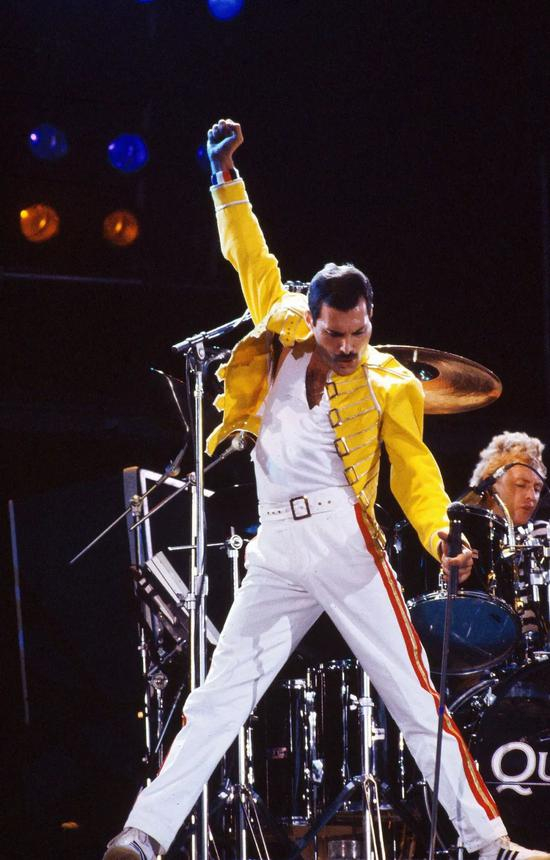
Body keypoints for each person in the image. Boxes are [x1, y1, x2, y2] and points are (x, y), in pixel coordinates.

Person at [103, 120, 550, 860]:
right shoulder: (278, 325)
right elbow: (250, 254)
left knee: (413, 696)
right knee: (218, 696)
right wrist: (224, 177)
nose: (346, 347)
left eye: (358, 333)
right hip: (276, 545)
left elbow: (413, 467)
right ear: (312, 319)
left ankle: (491, 842)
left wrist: (439, 529)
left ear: (370, 321)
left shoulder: (388, 381)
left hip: (347, 542)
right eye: (335, 333)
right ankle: (143, 832)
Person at [466, 430, 549, 649]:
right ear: (490, 485)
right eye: (521, 485)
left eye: (537, 488)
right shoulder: (466, 534)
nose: (532, 496)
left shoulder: (542, 533)